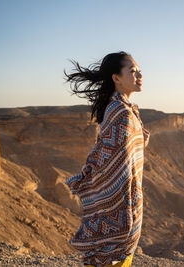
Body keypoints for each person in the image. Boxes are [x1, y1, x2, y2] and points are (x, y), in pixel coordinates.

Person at [63, 51, 150, 267]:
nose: (139, 75)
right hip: (122, 201)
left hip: (128, 196)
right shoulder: (120, 111)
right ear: (116, 77)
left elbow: (123, 150)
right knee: (115, 255)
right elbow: (109, 155)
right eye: (132, 71)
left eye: (139, 71)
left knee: (116, 256)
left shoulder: (125, 108)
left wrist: (140, 139)